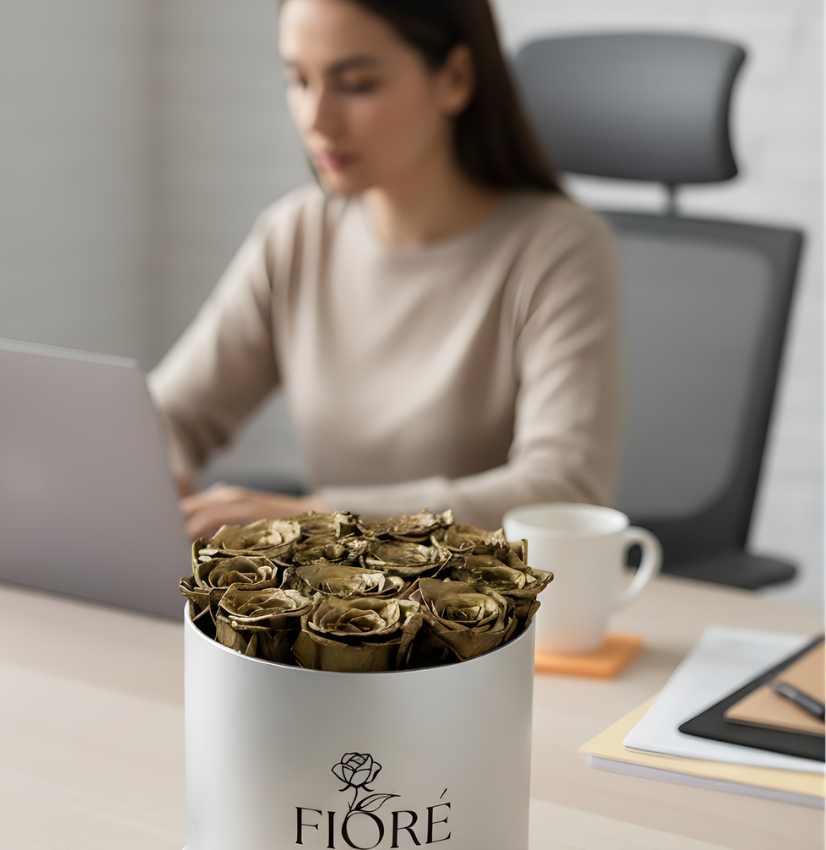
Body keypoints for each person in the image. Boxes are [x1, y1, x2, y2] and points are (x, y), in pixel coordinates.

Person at [150, 0, 622, 542]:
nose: (316, 119)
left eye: (355, 84)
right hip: (335, 609)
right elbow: (167, 416)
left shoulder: (558, 249)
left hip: (480, 612)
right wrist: (155, 470)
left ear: (456, 78)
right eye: (299, 80)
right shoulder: (297, 234)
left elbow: (563, 488)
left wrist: (320, 521)